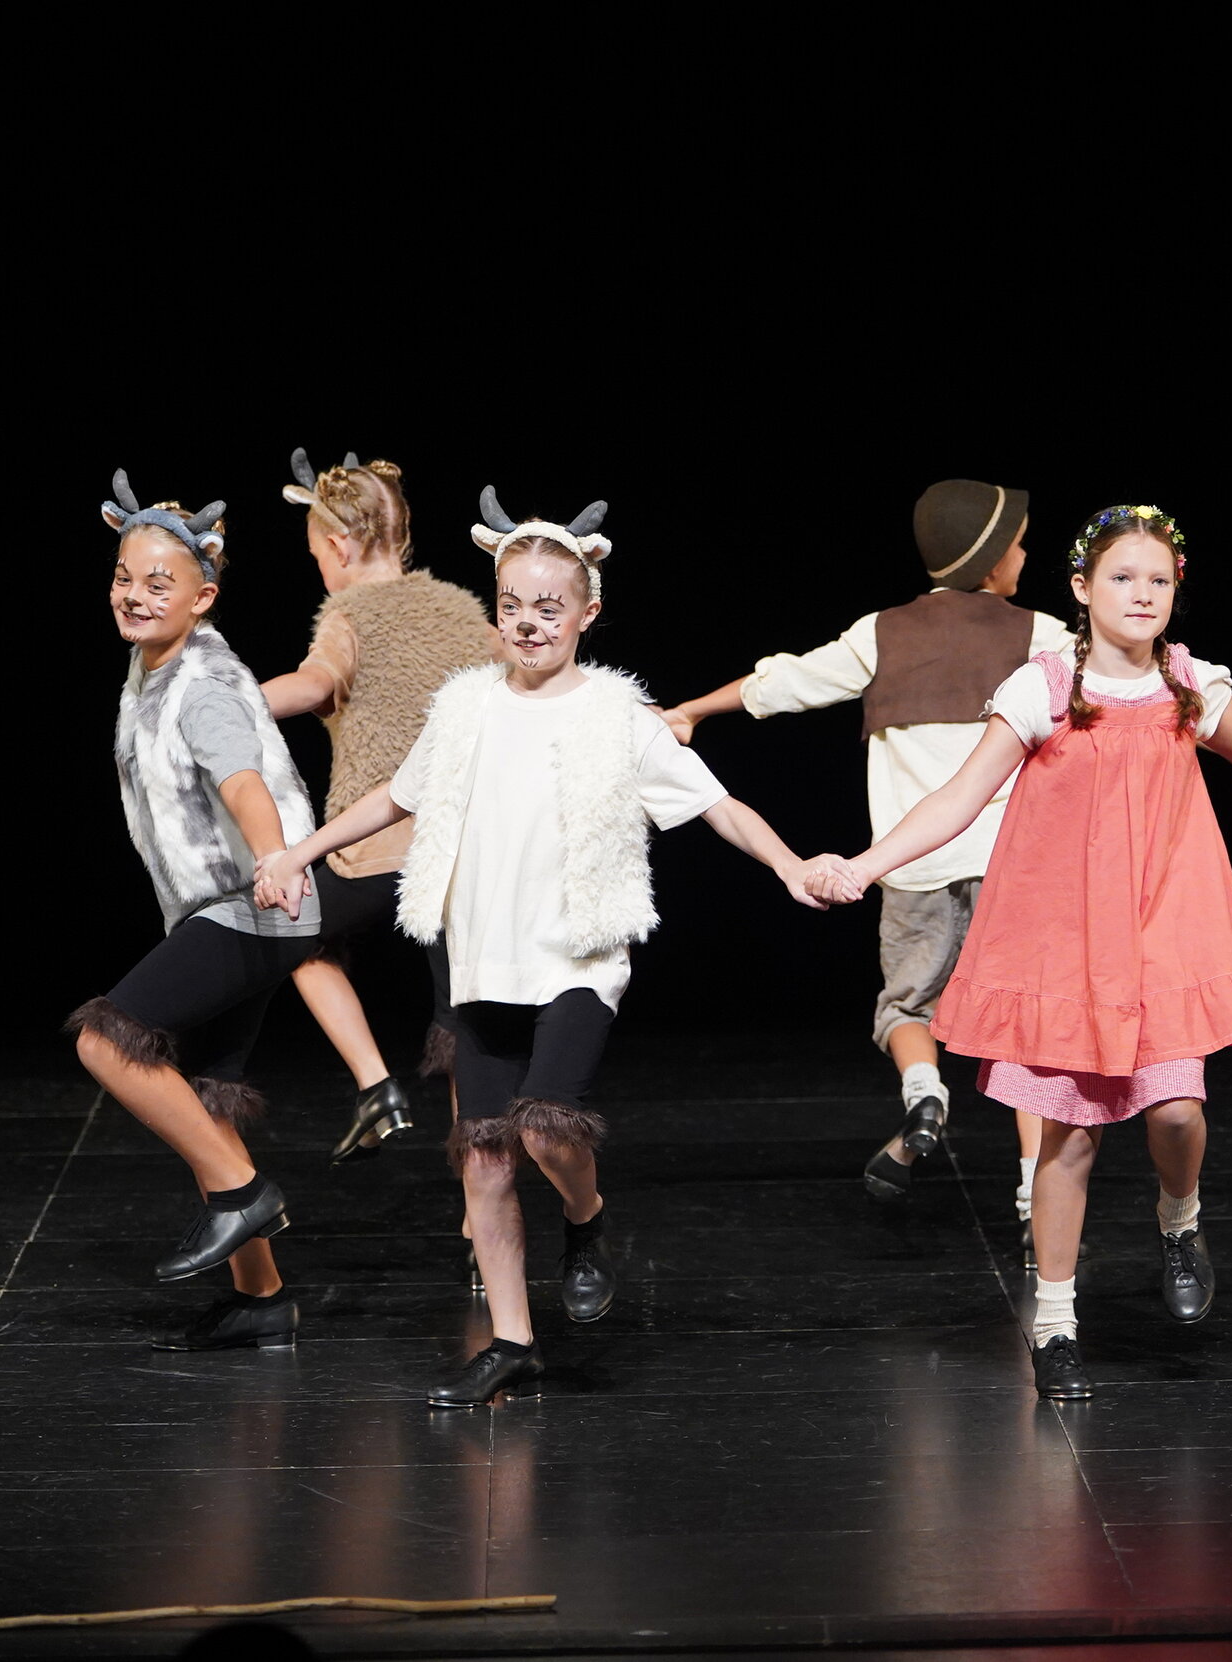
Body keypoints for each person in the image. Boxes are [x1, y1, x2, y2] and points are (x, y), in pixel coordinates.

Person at [260, 488, 833, 1407]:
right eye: (515, 606)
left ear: (586, 613)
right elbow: (396, 798)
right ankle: (514, 1339)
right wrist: (302, 849)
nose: (530, 623)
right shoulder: (465, 707)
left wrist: (789, 864)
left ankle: (585, 1216)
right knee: (484, 1153)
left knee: (542, 1124)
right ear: (498, 609)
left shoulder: (618, 716)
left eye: (549, 606)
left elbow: (717, 804)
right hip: (480, 952)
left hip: (576, 953)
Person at [818, 504, 1232, 1399]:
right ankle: (1055, 1324)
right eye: (1122, 577)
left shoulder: (1190, 685)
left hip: (1162, 929)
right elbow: (960, 798)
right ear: (1081, 590)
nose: (1141, 593)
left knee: (1178, 1113)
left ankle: (1180, 1217)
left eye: (1158, 579)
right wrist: (866, 864)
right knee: (1068, 1137)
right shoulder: (1042, 688)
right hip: (1068, 939)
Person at [657, 480, 1071, 1255]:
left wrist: (692, 711)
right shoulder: (1045, 635)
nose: (1025, 553)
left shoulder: (882, 633)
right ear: (987, 560)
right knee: (1026, 1034)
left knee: (907, 1009)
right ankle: (1030, 1194)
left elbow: (781, 684)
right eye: (1015, 542)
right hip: (1013, 869)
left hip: (911, 869)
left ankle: (924, 1093)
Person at [66, 471, 318, 1354]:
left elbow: (245, 784)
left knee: (109, 1038)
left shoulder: (202, 684)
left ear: (202, 596)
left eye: (158, 584)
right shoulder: (154, 666)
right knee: (206, 1097)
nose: (134, 597)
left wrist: (277, 861)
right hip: (228, 906)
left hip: (250, 903)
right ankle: (264, 1301)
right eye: (123, 579)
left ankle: (240, 1199)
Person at [259, 450, 495, 1163]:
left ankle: (375, 1085)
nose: (320, 571)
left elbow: (311, 682)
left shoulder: (348, 611)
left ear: (338, 545)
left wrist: (219, 707)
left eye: (316, 555)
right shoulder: (462, 610)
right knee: (462, 1031)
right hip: (461, 860)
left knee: (290, 932)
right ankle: (477, 1232)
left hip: (378, 851)